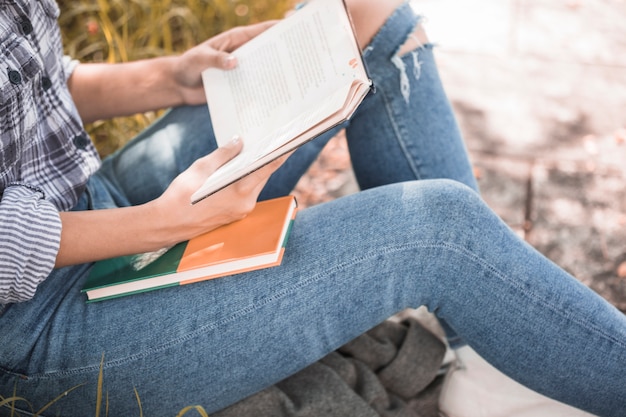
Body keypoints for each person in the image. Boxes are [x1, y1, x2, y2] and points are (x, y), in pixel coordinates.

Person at [0, 0, 624, 416]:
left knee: (366, 22)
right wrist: (168, 221)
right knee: (437, 231)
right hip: (40, 325)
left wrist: (173, 77)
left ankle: (491, 359)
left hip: (92, 195)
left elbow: (33, 83)